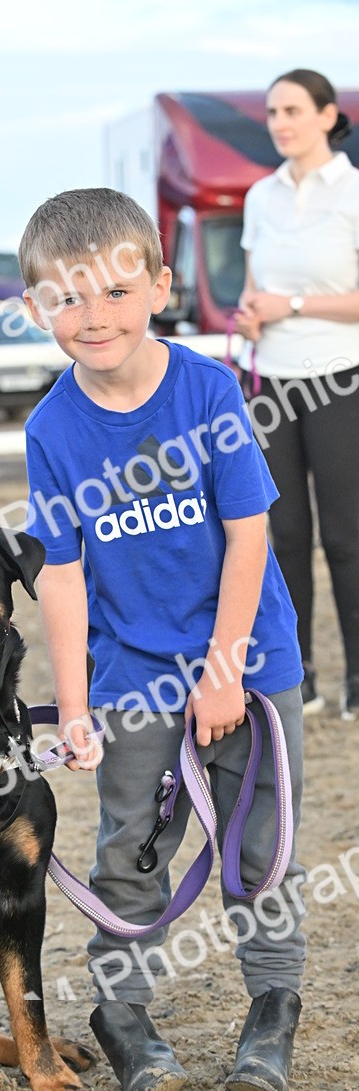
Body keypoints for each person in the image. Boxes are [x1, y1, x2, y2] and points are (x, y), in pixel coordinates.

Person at [19, 187, 306, 1091]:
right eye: (66, 298)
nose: (91, 316)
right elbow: (60, 575)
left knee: (261, 849)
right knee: (131, 847)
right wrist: (74, 707)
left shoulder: (208, 389)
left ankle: (271, 1013)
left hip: (248, 660)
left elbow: (250, 535)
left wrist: (224, 670)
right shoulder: (50, 431)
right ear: (35, 308)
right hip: (134, 674)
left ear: (158, 286)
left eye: (112, 291)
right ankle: (126, 1016)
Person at [235, 69, 359, 720]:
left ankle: (357, 679)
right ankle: (299, 677)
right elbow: (256, 287)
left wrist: (298, 303)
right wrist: (252, 314)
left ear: (326, 115)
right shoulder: (261, 196)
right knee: (281, 532)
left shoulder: (354, 193)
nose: (279, 121)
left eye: (291, 109)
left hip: (341, 375)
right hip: (270, 378)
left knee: (345, 535)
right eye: (272, 111)